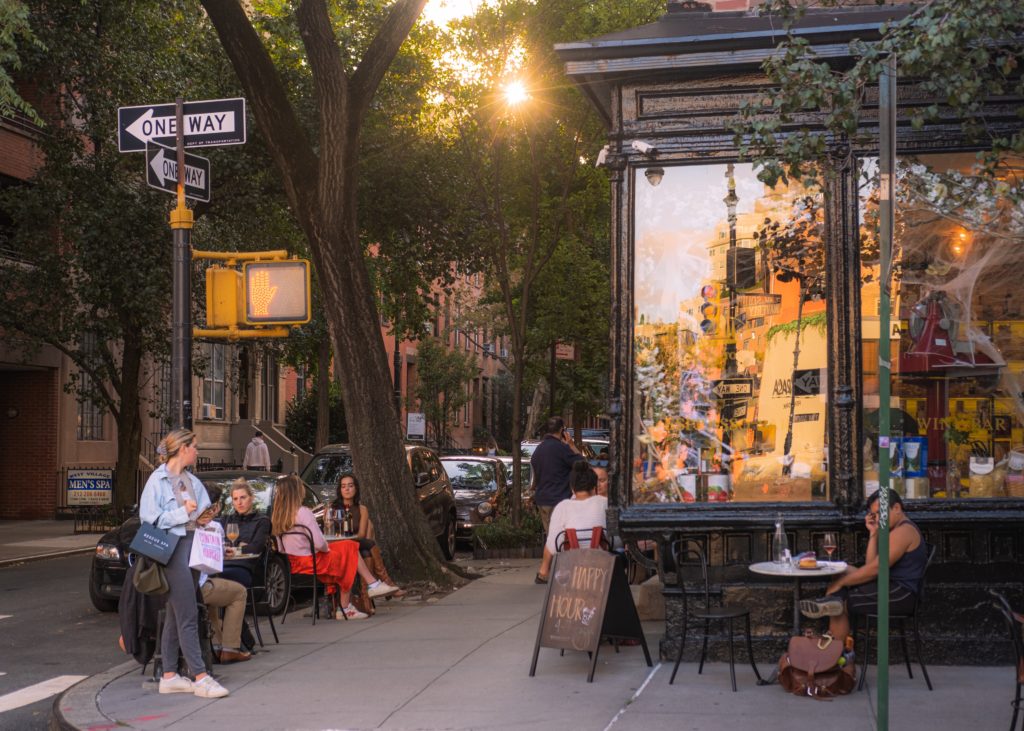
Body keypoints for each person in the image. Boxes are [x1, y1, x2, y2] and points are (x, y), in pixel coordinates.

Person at [139, 428, 229, 699]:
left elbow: (200, 512)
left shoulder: (191, 481)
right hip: (171, 550)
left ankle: (169, 675)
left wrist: (204, 516)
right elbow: (149, 519)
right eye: (194, 447)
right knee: (188, 611)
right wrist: (182, 513)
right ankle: (200, 676)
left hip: (192, 547)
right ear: (182, 449)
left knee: (176, 613)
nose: (198, 451)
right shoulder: (157, 481)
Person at [799, 488, 928, 643]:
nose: (879, 518)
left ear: (897, 508)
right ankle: (832, 633)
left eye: (881, 513)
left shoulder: (904, 531)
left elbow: (875, 570)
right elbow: (871, 564)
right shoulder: (895, 530)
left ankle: (835, 652)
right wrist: (873, 534)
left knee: (840, 602)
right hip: (889, 586)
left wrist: (840, 584)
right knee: (843, 571)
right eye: (875, 514)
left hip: (901, 594)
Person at [271, 475, 398, 619]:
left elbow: (280, 548)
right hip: (312, 561)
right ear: (296, 491)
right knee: (348, 553)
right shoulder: (303, 512)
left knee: (348, 547)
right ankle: (354, 600)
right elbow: (319, 543)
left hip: (294, 563)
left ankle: (366, 591)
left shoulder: (278, 517)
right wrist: (327, 548)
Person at [329, 472, 405, 613]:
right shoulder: (333, 509)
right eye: (343, 486)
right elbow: (332, 533)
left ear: (356, 488)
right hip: (339, 547)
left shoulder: (362, 509)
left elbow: (362, 534)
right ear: (340, 490)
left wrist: (350, 539)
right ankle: (384, 584)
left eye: (350, 486)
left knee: (365, 552)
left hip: (356, 545)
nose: (347, 489)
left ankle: (367, 599)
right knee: (368, 545)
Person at [197, 484, 251, 663]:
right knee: (239, 592)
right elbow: (212, 566)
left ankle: (217, 644)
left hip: (179, 585)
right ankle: (230, 648)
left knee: (213, 598)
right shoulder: (212, 527)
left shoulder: (184, 523)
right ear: (215, 506)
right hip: (197, 585)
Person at [535, 461, 608, 583]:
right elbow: (616, 542)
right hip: (602, 566)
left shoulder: (562, 507)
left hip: (570, 566)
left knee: (551, 539)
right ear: (594, 487)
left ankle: (543, 572)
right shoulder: (605, 503)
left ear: (572, 488)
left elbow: (554, 546)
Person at [217, 477, 271, 587]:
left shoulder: (262, 521)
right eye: (235, 499)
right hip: (220, 564)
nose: (239, 503)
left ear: (251, 498)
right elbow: (217, 544)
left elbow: (256, 547)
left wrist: (235, 550)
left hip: (244, 567)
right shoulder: (226, 520)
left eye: (243, 497)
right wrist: (241, 547)